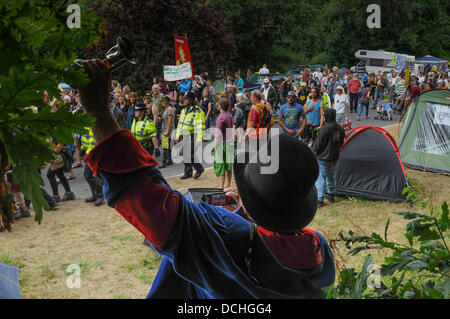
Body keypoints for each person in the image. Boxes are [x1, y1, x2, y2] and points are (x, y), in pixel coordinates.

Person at [77, 59, 335, 299]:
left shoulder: (223, 232)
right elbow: (276, 243)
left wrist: (99, 112)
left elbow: (153, 204)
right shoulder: (319, 250)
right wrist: (244, 211)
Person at [311, 108, 345, 207]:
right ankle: (331, 195)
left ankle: (320, 199)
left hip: (323, 159)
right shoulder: (340, 128)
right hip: (334, 158)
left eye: (324, 115)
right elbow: (341, 142)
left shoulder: (325, 129)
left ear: (327, 116)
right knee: (331, 177)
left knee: (320, 179)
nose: (323, 117)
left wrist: (313, 155)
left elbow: (317, 145)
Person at [175, 91, 205, 180]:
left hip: (194, 135)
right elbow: (180, 124)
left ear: (191, 100)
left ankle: (199, 169)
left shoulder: (198, 111)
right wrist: (177, 135)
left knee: (190, 153)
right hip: (185, 135)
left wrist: (199, 139)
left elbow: (200, 126)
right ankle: (188, 173)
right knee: (185, 154)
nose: (183, 100)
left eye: (186, 99)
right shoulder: (184, 110)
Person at [214, 98, 234, 189]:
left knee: (221, 167)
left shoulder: (220, 117)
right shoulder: (230, 115)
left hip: (222, 144)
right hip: (230, 143)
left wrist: (215, 146)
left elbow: (218, 134)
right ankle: (228, 184)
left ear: (220, 106)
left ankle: (221, 187)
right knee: (228, 167)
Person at [47, 138, 75, 203]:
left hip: (58, 155)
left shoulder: (56, 129)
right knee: (60, 174)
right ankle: (69, 193)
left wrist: (53, 156)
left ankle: (56, 197)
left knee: (50, 175)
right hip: (59, 154)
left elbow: (60, 143)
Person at [158, 96, 175, 169]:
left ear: (168, 102)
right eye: (162, 101)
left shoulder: (170, 110)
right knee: (167, 145)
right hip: (164, 128)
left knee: (164, 146)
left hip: (167, 129)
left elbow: (170, 121)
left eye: (164, 101)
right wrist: (161, 119)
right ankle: (170, 160)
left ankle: (164, 162)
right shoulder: (165, 110)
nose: (162, 103)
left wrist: (168, 131)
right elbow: (166, 119)